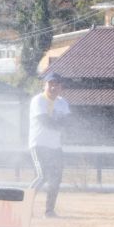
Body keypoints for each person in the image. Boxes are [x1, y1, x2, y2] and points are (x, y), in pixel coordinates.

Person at [28, 73, 71, 218]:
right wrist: (60, 126)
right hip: (39, 144)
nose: (53, 87)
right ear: (44, 85)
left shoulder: (62, 102)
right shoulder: (38, 100)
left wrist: (60, 126)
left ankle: (49, 211)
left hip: (55, 146)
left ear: (61, 87)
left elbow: (67, 121)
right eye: (50, 84)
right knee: (42, 176)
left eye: (57, 84)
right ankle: (24, 206)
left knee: (56, 178)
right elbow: (44, 121)